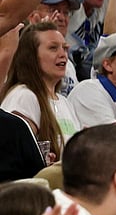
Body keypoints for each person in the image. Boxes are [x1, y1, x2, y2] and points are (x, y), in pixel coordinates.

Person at [1, 22, 81, 164]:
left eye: (64, 48)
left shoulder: (65, 101)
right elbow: (15, 154)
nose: (63, 55)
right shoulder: (24, 96)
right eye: (53, 48)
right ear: (31, 56)